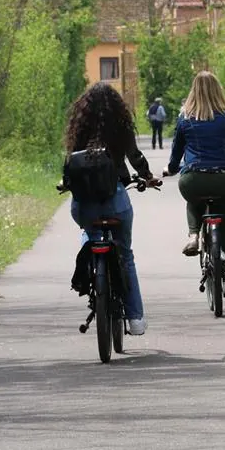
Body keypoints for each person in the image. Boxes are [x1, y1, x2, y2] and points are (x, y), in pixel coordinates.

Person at [64, 82, 159, 336]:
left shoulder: (80, 129)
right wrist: (147, 176)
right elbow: (134, 156)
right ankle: (136, 319)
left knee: (88, 231)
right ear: (117, 108)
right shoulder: (120, 126)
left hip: (85, 206)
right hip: (116, 201)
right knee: (125, 255)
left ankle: (89, 249)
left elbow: (70, 162)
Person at [164, 71, 225, 297]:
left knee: (194, 198)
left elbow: (176, 154)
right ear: (218, 91)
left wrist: (172, 169)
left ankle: (193, 235)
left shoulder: (185, 119)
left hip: (194, 178)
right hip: (224, 180)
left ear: (193, 91)